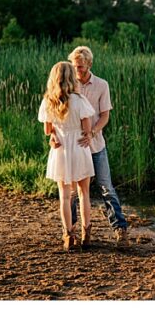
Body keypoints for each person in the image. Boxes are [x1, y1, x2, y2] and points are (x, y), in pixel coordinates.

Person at [68, 46, 129, 243]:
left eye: (81, 67)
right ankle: (73, 230)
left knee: (106, 186)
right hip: (74, 146)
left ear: (90, 64)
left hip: (95, 145)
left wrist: (92, 132)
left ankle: (120, 229)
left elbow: (105, 115)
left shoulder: (102, 85)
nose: (77, 71)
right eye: (74, 67)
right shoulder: (68, 85)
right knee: (72, 192)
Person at [39, 60, 96, 250]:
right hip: (79, 147)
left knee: (64, 195)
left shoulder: (49, 101)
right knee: (84, 193)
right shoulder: (80, 101)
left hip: (61, 149)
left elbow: (48, 130)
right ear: (72, 77)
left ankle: (68, 236)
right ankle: (86, 235)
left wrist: (54, 136)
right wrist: (87, 137)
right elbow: (87, 129)